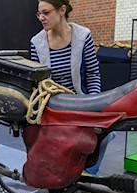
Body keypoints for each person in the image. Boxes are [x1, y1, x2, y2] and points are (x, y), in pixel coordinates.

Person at [30, 0, 114, 175]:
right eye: (39, 14)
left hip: (80, 100)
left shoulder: (82, 36)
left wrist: (94, 104)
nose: (41, 18)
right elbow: (38, 83)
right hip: (52, 105)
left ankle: (87, 175)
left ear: (62, 10)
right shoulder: (36, 42)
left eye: (46, 12)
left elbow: (93, 74)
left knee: (105, 134)